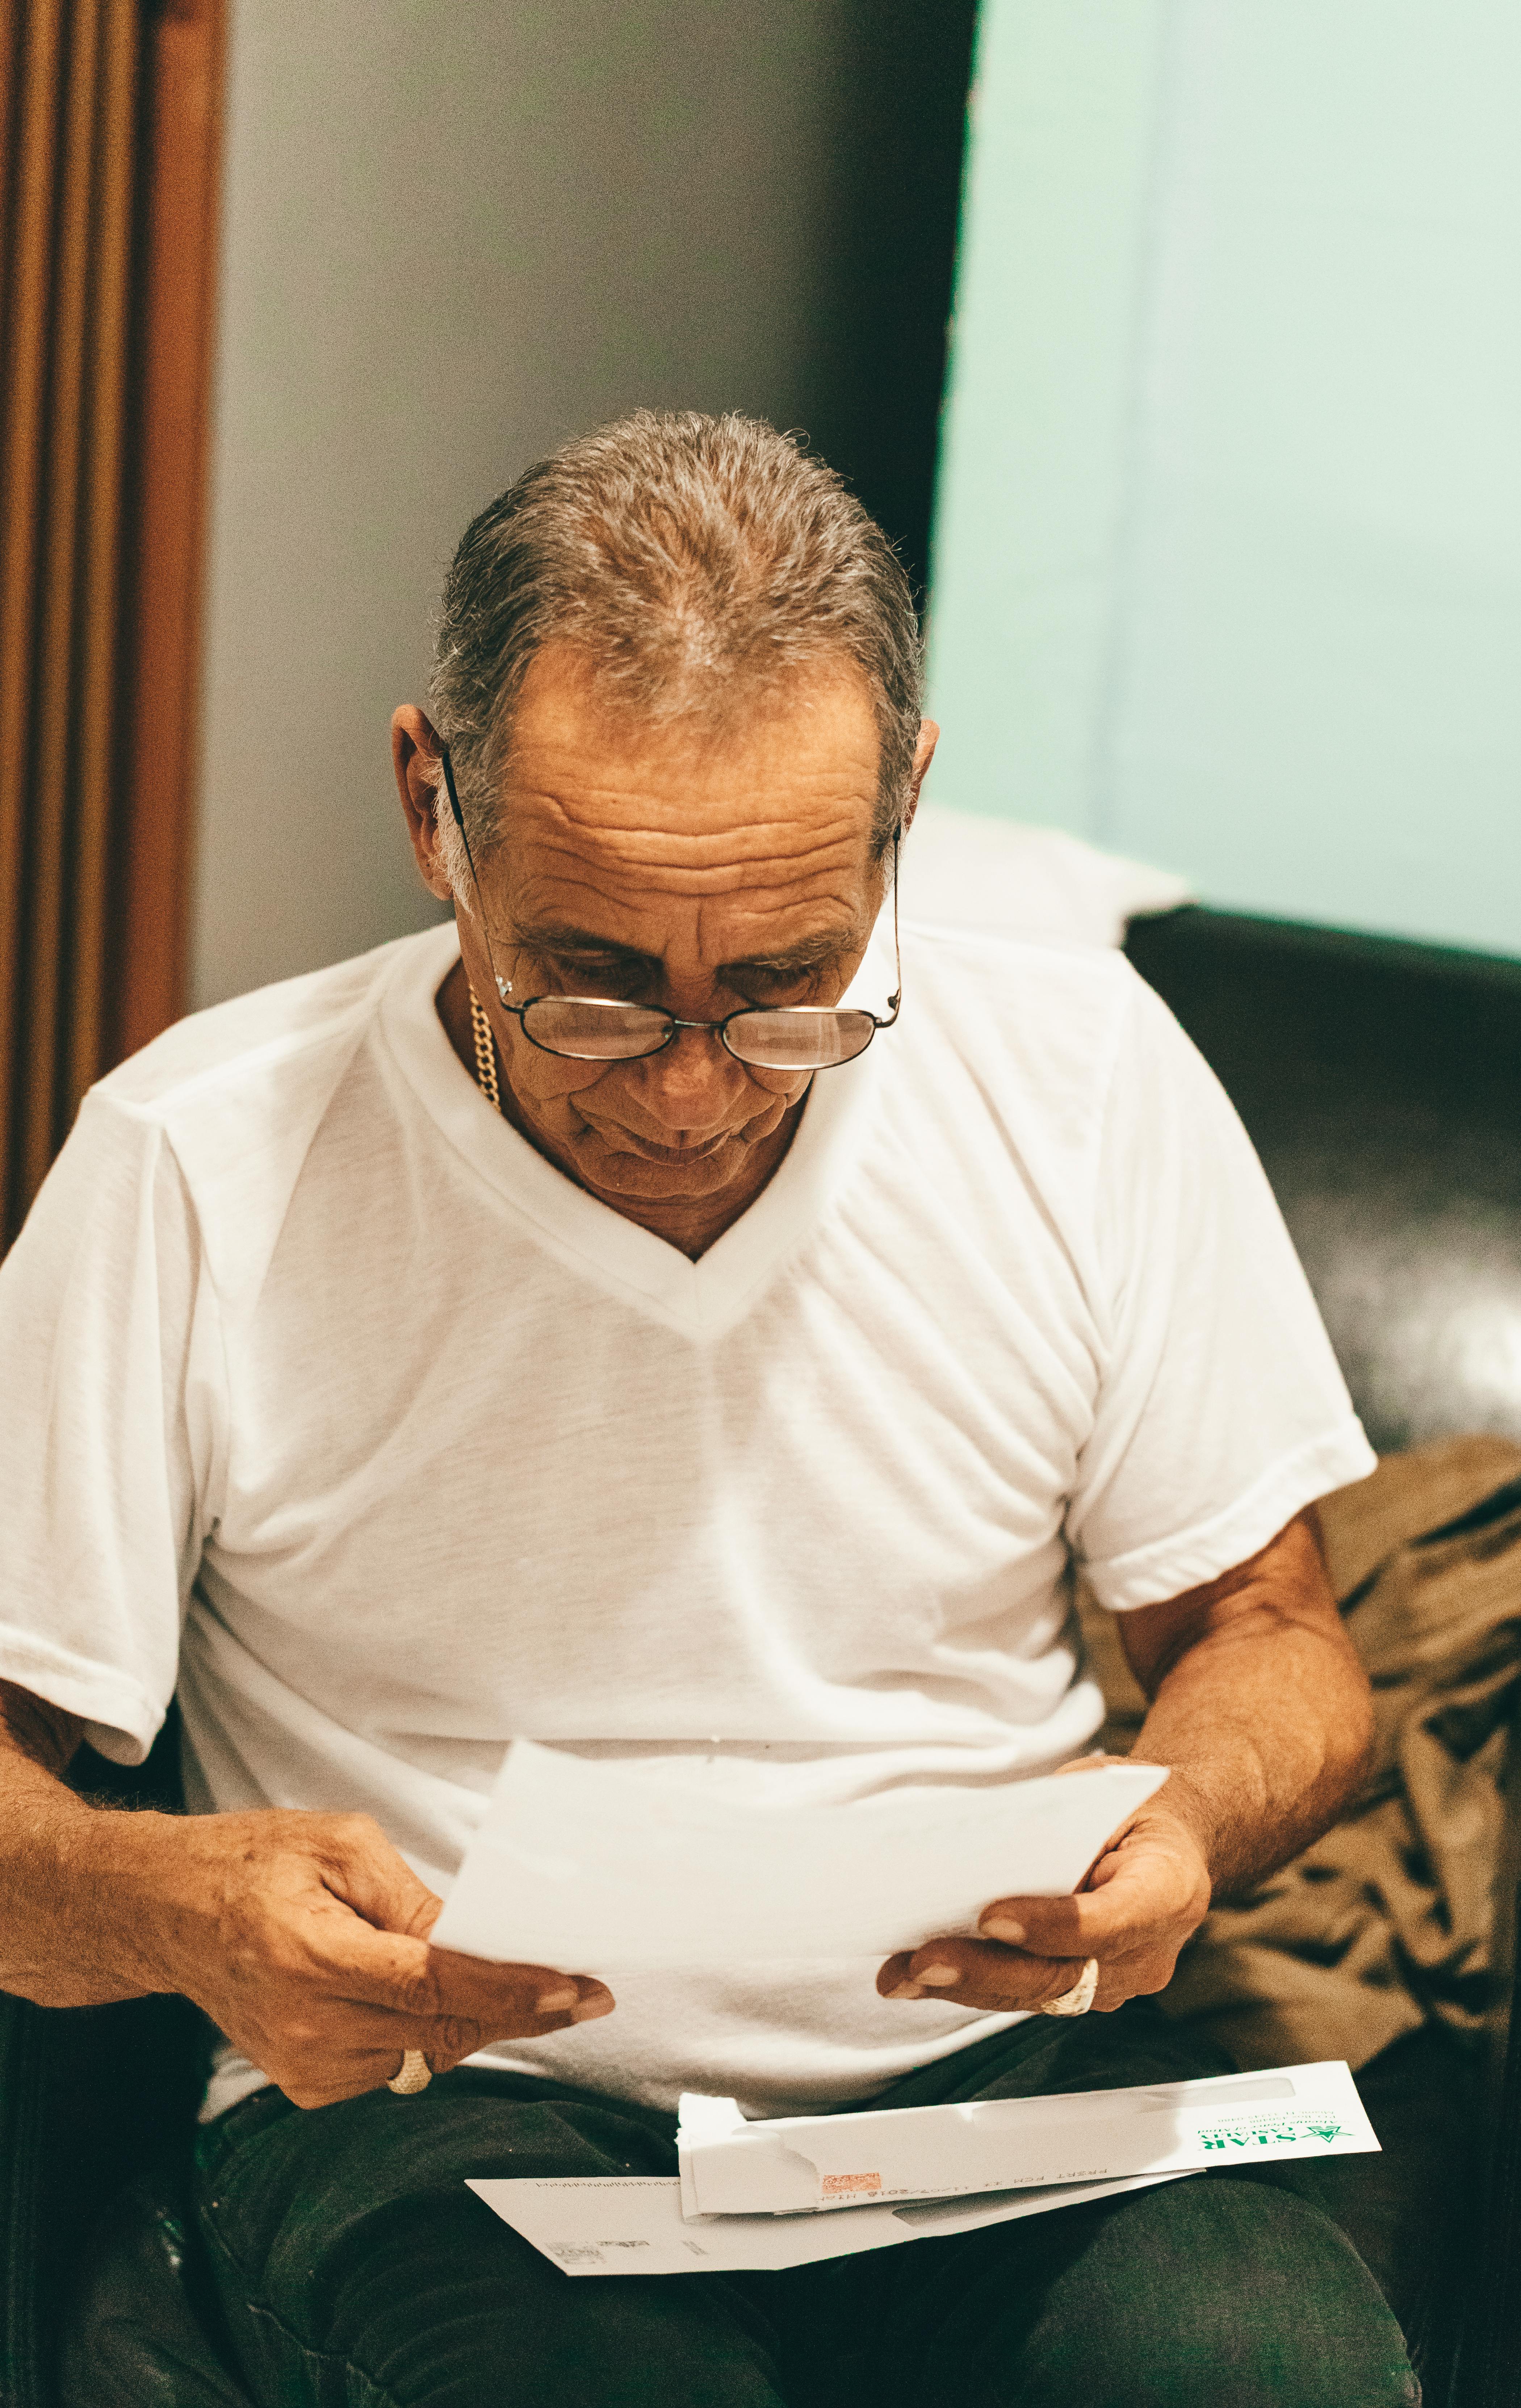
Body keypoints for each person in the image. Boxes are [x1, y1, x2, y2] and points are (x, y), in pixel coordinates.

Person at [0, 412, 1416, 2407]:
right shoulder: (193, 1163)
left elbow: (1268, 1637)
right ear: (434, 808)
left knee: (1258, 2369)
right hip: (446, 2099)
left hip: (979, 2088)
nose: (688, 1089)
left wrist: (1180, 1823)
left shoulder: (1079, 1076)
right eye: (583, 988)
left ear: (899, 816)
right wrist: (172, 1903)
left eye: (787, 987)